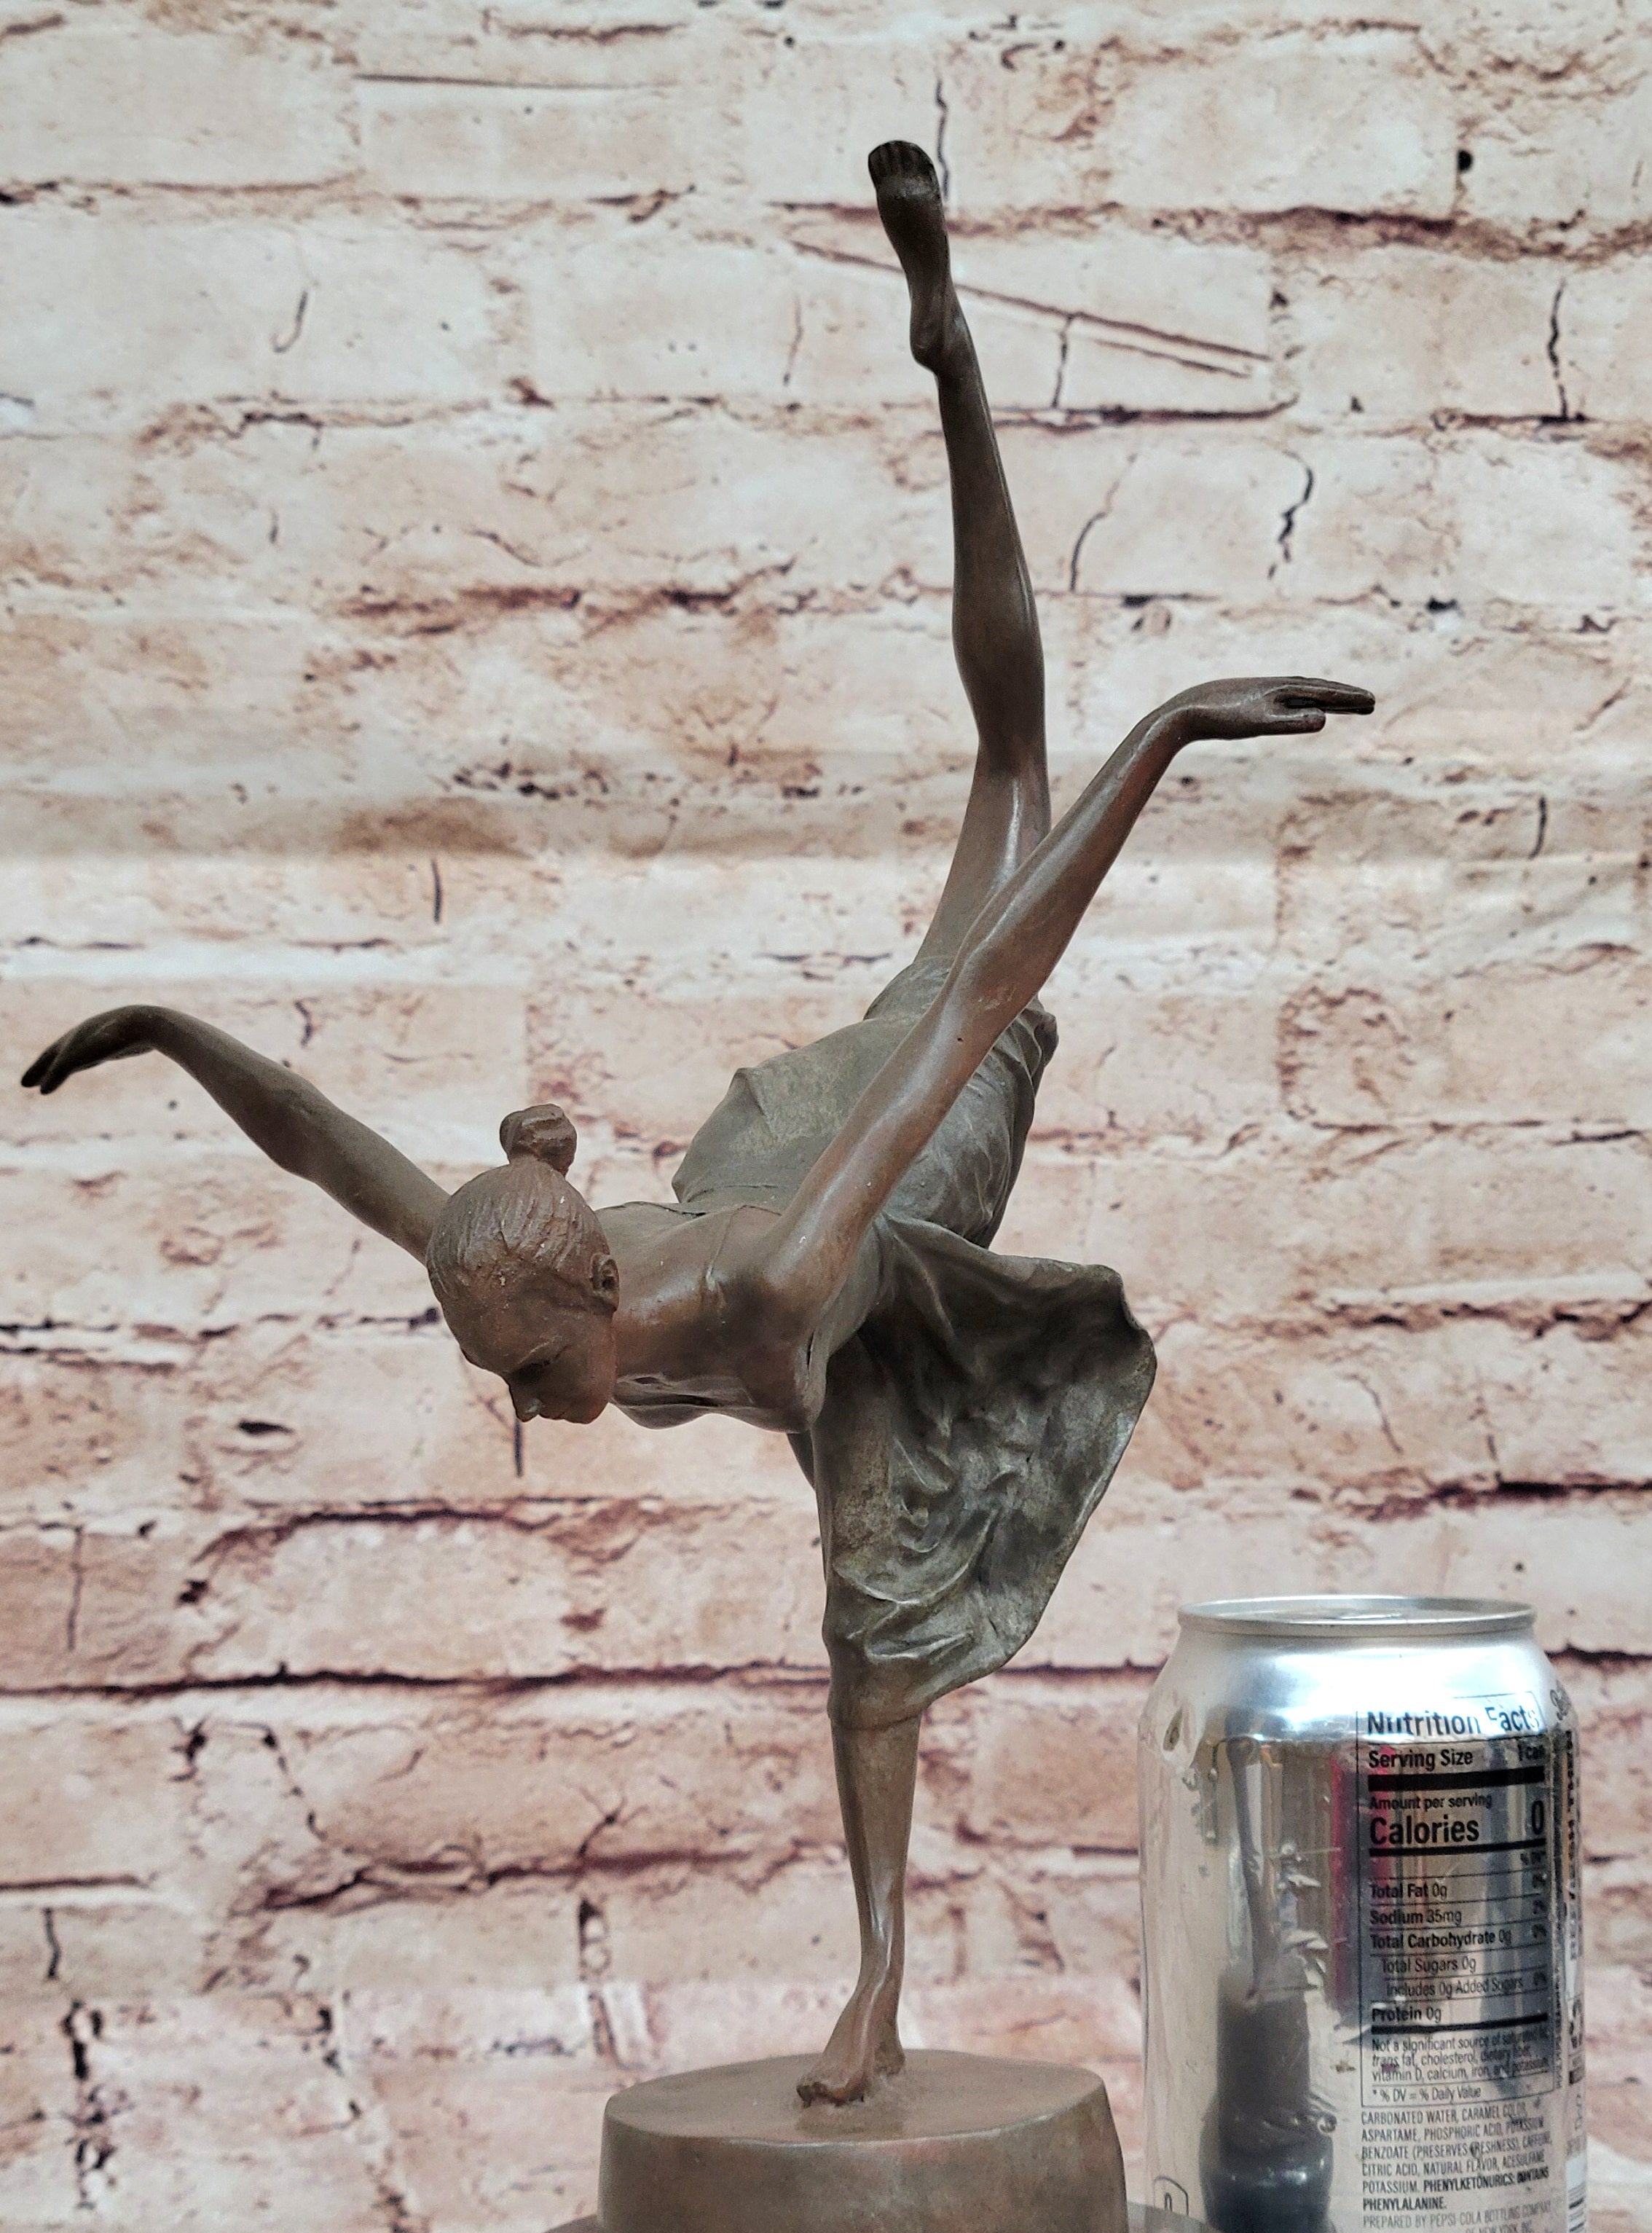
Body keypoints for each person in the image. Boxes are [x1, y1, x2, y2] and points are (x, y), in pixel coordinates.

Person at [23, 144, 1372, 2103]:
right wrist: (167, 1028)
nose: (520, 1409)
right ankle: (950, 346)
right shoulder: (511, 1253)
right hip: (790, 1129)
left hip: (885, 1173)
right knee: (998, 772)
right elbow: (324, 1137)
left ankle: (878, 1987)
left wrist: (1161, 740)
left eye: (530, 1374)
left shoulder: (766, 1285)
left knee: (873, 1627)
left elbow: (968, 1010)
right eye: (507, 1379)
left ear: (589, 1301)